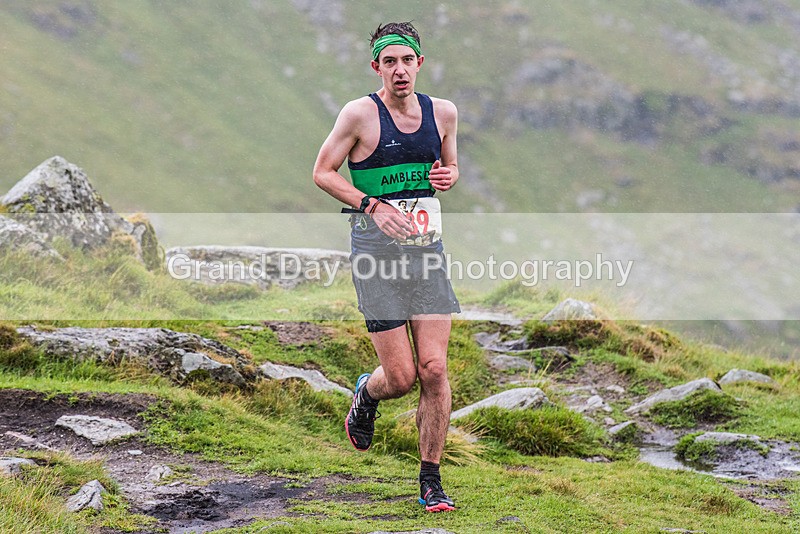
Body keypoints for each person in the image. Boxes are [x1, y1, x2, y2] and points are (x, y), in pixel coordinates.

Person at [312, 21, 461, 513]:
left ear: (421, 62)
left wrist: (448, 175)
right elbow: (322, 173)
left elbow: (451, 168)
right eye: (389, 61)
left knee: (434, 369)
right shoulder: (359, 115)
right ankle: (367, 392)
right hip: (376, 258)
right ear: (376, 66)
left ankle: (430, 480)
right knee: (400, 379)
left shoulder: (443, 113)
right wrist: (373, 205)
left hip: (427, 252)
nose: (400, 70)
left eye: (407, 60)